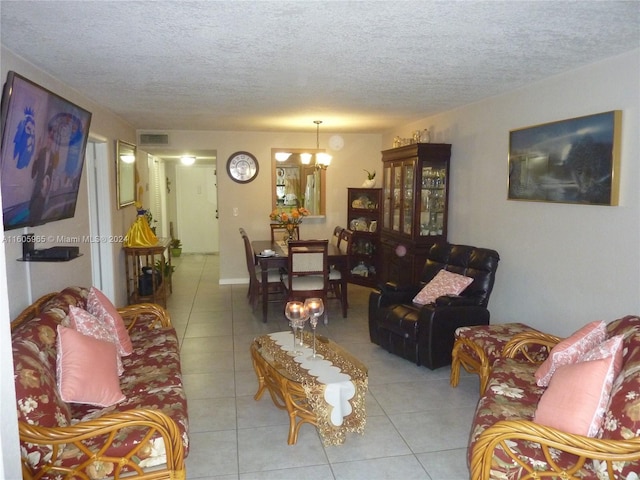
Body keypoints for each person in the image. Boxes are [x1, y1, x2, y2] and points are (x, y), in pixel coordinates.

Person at [28, 126, 58, 224]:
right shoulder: (41, 152)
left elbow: (50, 174)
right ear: (46, 140)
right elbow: (33, 173)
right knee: (31, 218)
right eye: (48, 139)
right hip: (37, 191)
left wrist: (47, 190)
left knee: (39, 219)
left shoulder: (53, 156)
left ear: (52, 142)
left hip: (44, 193)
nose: (49, 142)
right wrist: (36, 155)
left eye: (51, 140)